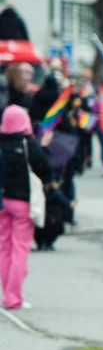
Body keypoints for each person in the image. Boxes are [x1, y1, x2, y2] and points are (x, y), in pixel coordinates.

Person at [0, 104, 51, 310]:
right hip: (22, 201)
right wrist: (45, 147)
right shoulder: (28, 143)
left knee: (4, 248)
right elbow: (45, 169)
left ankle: (7, 294)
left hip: (1, 201)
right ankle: (14, 297)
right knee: (20, 249)